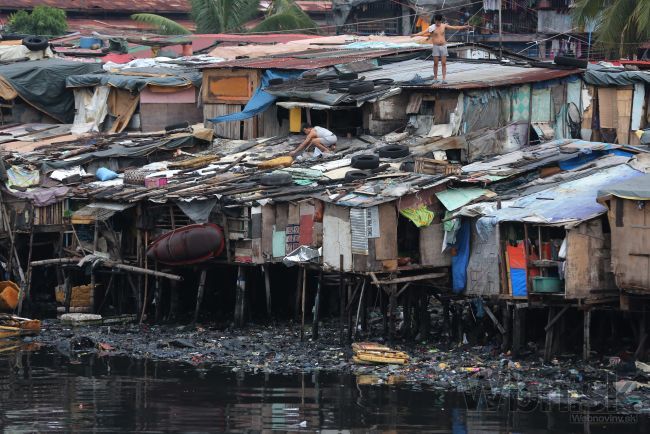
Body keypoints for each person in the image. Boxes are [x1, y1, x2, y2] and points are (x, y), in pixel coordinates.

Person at [411, 14, 471, 83]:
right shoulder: (432, 27)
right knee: (435, 63)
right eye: (437, 22)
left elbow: (454, 27)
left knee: (444, 63)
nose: (438, 23)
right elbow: (423, 32)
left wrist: (464, 27)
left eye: (439, 22)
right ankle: (435, 78)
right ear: (435, 21)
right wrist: (415, 35)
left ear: (440, 21)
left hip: (443, 46)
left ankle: (444, 79)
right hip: (436, 46)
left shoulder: (444, 26)